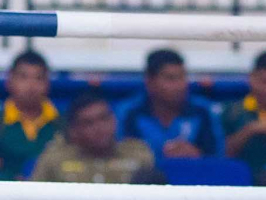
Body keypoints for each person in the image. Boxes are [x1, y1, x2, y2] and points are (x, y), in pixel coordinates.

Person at [116, 48, 224, 160]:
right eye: (170, 78)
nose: (180, 85)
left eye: (182, 77)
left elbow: (218, 158)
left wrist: (196, 156)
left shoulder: (203, 111)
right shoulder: (128, 112)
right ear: (150, 82)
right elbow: (118, 157)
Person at [31, 92, 155, 183]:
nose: (99, 128)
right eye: (88, 123)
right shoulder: (54, 160)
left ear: (114, 120)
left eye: (104, 118)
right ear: (74, 131)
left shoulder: (139, 154)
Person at [0, 50, 61, 180]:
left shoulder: (65, 124)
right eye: (23, 77)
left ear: (48, 83)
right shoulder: (2, 121)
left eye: (38, 78)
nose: (31, 85)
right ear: (9, 81)